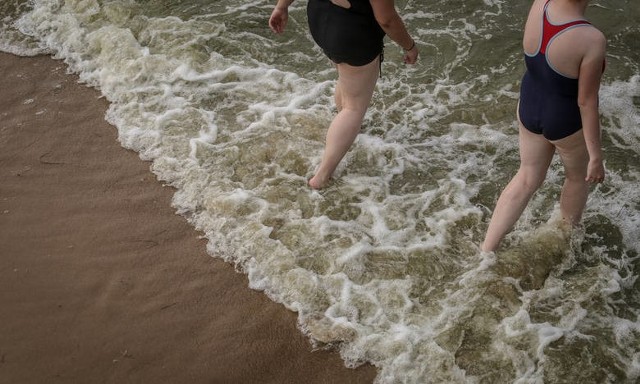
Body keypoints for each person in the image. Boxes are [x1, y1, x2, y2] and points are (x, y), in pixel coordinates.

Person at [481, 0, 606, 252]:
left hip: (529, 104)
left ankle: (486, 250)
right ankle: (564, 243)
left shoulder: (541, 4)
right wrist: (596, 156)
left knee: (526, 176)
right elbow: (586, 102)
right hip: (564, 117)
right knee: (575, 178)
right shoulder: (592, 38)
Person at [269, 0, 419, 189]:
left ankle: (345, 127)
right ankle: (321, 177)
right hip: (351, 32)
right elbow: (386, 19)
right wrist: (409, 46)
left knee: (347, 78)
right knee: (354, 108)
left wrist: (281, 6)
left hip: (320, 17)